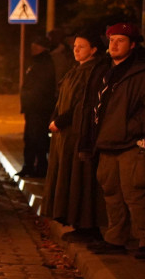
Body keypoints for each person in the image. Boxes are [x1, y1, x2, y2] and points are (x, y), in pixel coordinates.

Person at [82, 22, 145, 260]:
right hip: (106, 142)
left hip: (131, 144)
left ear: (132, 44)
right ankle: (116, 238)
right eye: (111, 40)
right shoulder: (104, 71)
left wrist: (130, 129)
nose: (114, 45)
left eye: (120, 40)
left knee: (136, 193)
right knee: (112, 193)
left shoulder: (143, 73)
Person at [42, 32, 104, 240]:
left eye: (82, 46)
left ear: (93, 49)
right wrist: (54, 118)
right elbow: (62, 99)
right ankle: (72, 220)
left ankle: (85, 225)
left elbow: (82, 103)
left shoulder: (93, 72)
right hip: (65, 134)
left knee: (80, 178)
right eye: (75, 46)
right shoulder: (75, 70)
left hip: (77, 133)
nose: (76, 50)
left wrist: (61, 121)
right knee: (67, 175)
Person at [17, 36, 57, 178]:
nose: (33, 48)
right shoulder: (37, 62)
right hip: (34, 108)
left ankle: (38, 168)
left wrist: (30, 97)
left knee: (37, 139)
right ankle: (31, 167)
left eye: (37, 46)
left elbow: (42, 87)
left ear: (44, 48)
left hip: (39, 109)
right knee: (32, 138)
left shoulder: (44, 63)